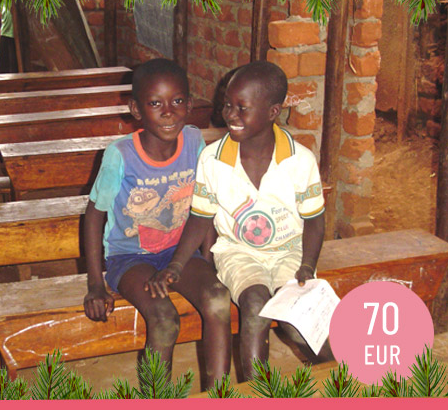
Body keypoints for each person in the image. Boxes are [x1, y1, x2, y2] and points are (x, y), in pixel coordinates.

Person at [150, 61, 328, 380]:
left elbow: (315, 220)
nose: (230, 115)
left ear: (272, 112)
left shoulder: (299, 160)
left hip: (290, 253)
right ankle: (257, 391)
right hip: (238, 252)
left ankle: (345, 374)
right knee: (255, 304)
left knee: (295, 321)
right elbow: (200, 218)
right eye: (227, 105)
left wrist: (307, 265)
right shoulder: (213, 159)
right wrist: (176, 264)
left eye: (241, 108)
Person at [83, 58, 231, 389]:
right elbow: (94, 216)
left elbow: (202, 207)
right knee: (164, 319)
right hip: (129, 257)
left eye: (177, 101)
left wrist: (209, 261)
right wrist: (96, 284)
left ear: (189, 104)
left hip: (181, 252)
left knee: (218, 299)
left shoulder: (193, 141)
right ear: (136, 109)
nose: (168, 112)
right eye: (155, 104)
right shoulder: (120, 155)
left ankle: (219, 396)